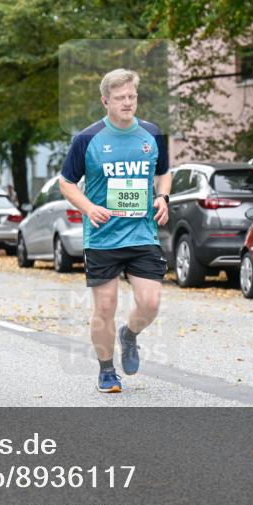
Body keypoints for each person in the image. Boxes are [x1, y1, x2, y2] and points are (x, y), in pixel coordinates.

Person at [58, 69, 170, 393]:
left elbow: (164, 173)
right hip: (103, 236)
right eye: (120, 98)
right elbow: (66, 182)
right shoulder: (87, 139)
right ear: (105, 100)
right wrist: (88, 207)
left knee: (150, 302)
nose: (127, 103)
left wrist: (162, 197)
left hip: (142, 234)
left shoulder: (151, 134)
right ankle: (107, 371)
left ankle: (129, 334)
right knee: (104, 307)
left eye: (132, 97)